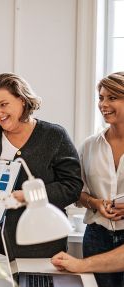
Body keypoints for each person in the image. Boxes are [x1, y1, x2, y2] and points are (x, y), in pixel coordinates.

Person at [0, 73, 83, 260]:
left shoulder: (54, 136)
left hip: (39, 248)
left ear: (22, 100)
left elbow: (72, 187)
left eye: (3, 104)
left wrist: (28, 196)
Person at [62, 72, 124, 287]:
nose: (103, 104)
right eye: (101, 97)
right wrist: (95, 203)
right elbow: (76, 191)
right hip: (97, 237)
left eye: (112, 98)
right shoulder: (90, 145)